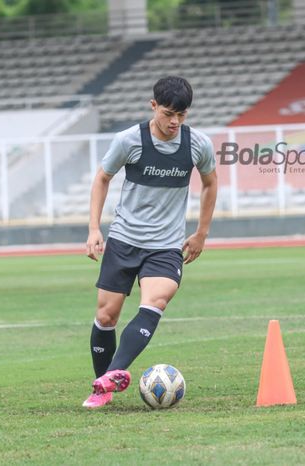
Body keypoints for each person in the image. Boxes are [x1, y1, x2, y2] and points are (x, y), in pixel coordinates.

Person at [82, 76, 218, 408]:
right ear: (153, 106)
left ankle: (108, 380)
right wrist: (94, 229)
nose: (174, 122)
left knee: (155, 302)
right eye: (168, 113)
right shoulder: (129, 140)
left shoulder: (198, 144)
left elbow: (211, 184)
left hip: (166, 245)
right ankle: (106, 386)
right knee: (106, 316)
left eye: (182, 116)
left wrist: (201, 233)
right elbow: (102, 178)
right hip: (125, 239)